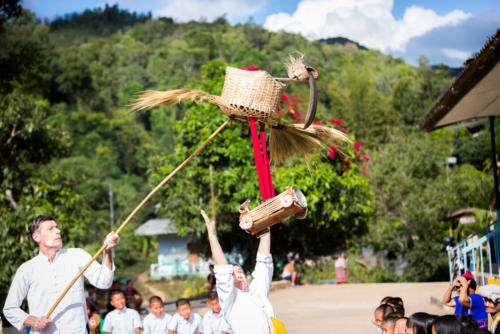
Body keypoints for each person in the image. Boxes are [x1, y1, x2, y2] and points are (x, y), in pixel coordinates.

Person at [3, 215, 119, 333]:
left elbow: (104, 282)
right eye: (50, 229)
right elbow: (10, 308)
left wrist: (107, 251)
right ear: (36, 237)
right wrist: (32, 321)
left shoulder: (78, 255)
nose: (58, 231)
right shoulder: (27, 269)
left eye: (57, 227)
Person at [201, 209, 277, 333]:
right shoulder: (230, 299)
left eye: (239, 271)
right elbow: (222, 270)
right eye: (233, 273)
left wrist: (265, 227)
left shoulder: (257, 291)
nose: (238, 274)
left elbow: (263, 262)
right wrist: (211, 236)